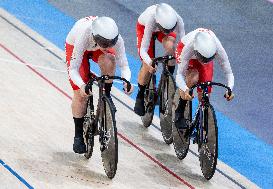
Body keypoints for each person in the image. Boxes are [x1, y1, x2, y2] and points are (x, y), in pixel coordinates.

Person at [65, 16, 134, 154]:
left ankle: (106, 96)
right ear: (95, 36)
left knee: (109, 59)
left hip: (95, 46)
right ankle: (78, 135)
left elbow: (124, 65)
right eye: (104, 43)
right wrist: (82, 85)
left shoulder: (116, 39)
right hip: (78, 47)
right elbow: (73, 69)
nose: (108, 46)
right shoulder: (84, 35)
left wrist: (127, 80)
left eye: (111, 43)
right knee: (80, 94)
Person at [174, 28, 235, 128]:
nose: (204, 61)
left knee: (205, 93)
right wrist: (185, 89)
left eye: (208, 59)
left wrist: (230, 89)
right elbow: (179, 75)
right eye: (203, 59)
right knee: (193, 78)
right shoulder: (189, 46)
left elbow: (229, 73)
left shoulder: (217, 48)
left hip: (204, 53)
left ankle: (201, 120)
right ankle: (179, 111)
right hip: (186, 52)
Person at [134, 3, 185, 116]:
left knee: (171, 47)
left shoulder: (177, 20)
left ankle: (167, 79)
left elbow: (184, 44)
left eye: (169, 30)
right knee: (149, 62)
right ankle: (140, 94)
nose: (167, 32)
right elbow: (143, 49)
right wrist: (148, 62)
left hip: (163, 26)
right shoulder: (151, 19)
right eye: (165, 30)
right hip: (145, 28)